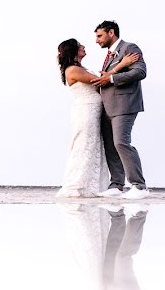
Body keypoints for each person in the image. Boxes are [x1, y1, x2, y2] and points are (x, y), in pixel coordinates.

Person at [56, 39, 140, 197]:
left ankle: (92, 185)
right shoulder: (73, 69)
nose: (84, 47)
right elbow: (100, 82)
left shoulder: (80, 68)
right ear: (73, 50)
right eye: (80, 46)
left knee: (94, 146)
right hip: (86, 112)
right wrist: (122, 64)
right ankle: (77, 186)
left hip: (94, 112)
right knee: (84, 145)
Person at [91, 21, 149, 199]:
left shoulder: (129, 48)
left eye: (99, 36)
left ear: (111, 32)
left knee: (121, 143)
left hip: (125, 104)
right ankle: (116, 184)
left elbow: (140, 71)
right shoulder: (110, 55)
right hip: (107, 106)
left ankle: (139, 186)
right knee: (111, 146)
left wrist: (111, 79)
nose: (96, 40)